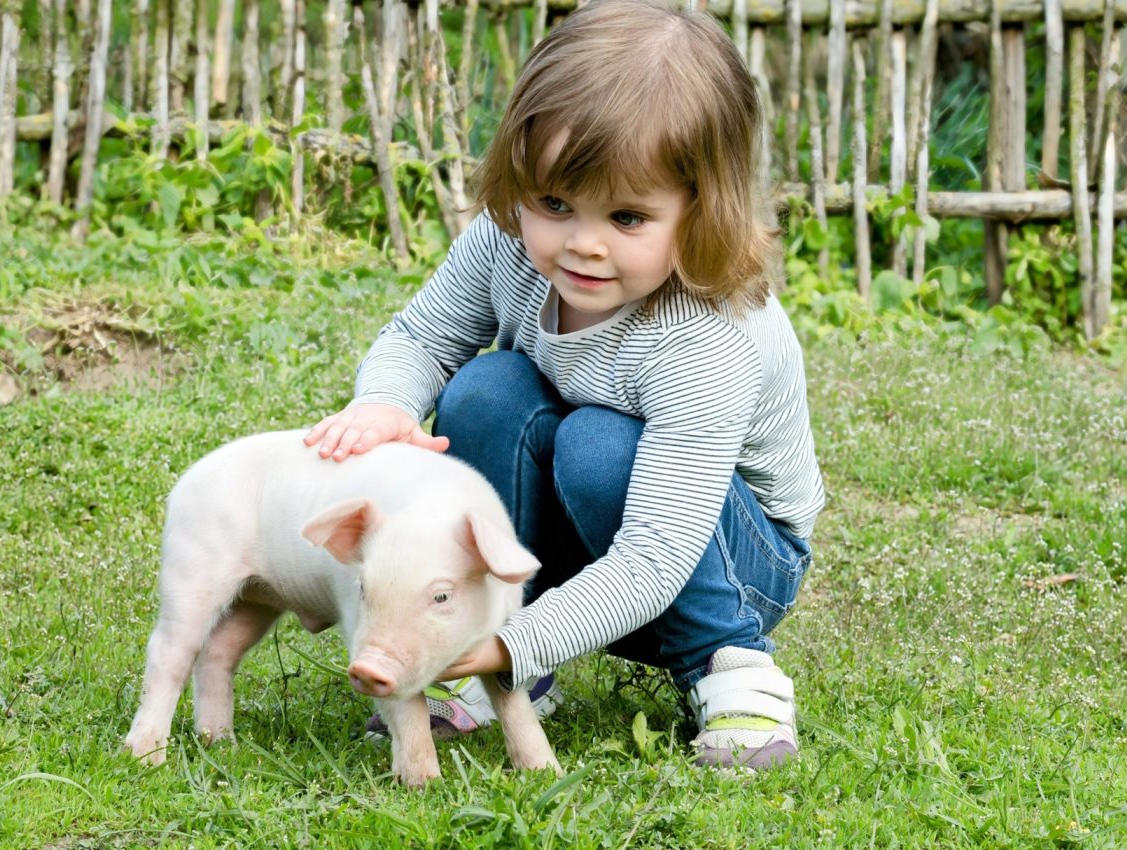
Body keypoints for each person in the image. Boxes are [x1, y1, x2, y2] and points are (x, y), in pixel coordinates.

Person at [304, 0, 824, 769]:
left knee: (595, 444)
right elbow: (420, 336)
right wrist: (384, 403)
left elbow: (655, 552)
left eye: (626, 217)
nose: (582, 244)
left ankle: (730, 667)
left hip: (723, 559)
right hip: (590, 539)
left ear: (700, 209)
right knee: (487, 390)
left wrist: (513, 643)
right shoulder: (510, 243)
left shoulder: (707, 335)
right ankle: (502, 660)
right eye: (554, 203)